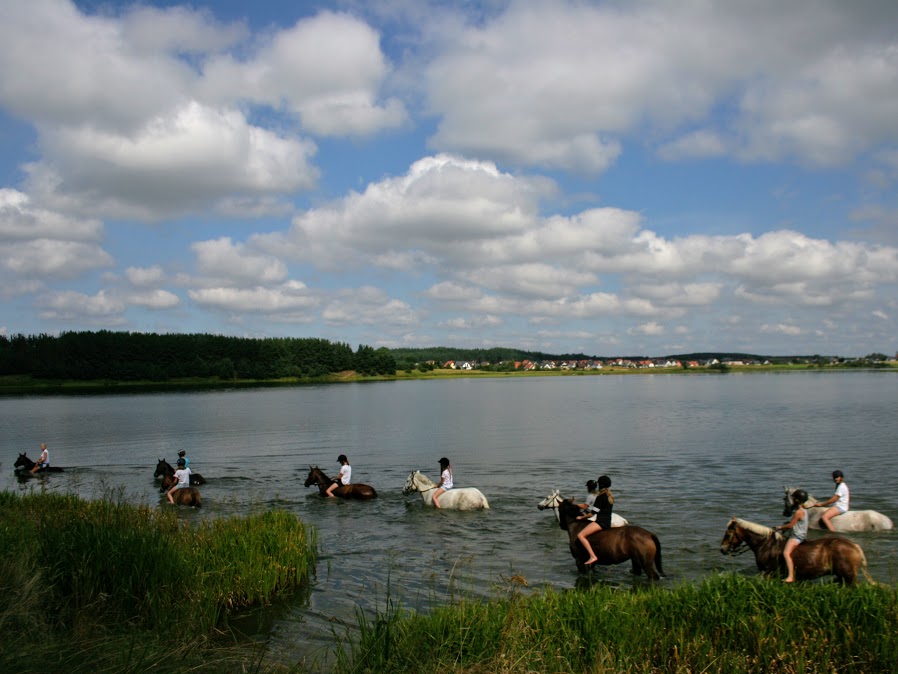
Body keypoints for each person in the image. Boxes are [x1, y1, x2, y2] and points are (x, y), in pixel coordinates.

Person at [575, 475, 614, 566]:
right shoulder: (610, 496)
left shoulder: (600, 497)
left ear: (600, 485)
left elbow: (592, 513)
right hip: (608, 521)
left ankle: (592, 556)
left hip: (601, 522)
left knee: (580, 535)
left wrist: (581, 518)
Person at [776, 488, 809, 582]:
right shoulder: (804, 510)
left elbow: (791, 525)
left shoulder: (798, 512)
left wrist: (780, 527)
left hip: (796, 537)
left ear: (797, 500)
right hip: (802, 535)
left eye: (794, 498)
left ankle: (790, 576)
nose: (793, 500)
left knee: (786, 553)